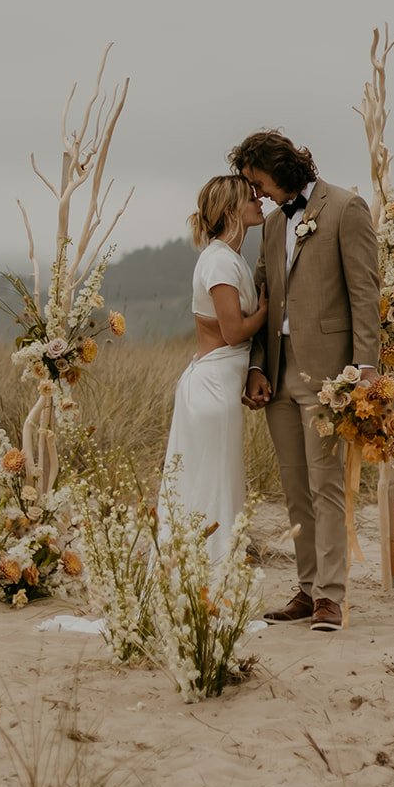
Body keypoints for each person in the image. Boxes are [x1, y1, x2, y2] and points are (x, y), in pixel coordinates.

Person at [229, 130, 380, 632]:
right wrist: (255, 366)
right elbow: (262, 296)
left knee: (327, 486)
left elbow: (364, 295)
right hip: (277, 370)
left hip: (331, 374)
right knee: (295, 486)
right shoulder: (271, 227)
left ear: (279, 168)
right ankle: (307, 586)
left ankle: (331, 597)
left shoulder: (346, 208)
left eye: (257, 181)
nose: (257, 192)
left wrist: (365, 369)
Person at [159, 175, 267, 564]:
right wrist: (269, 310)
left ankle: (202, 574)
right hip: (211, 392)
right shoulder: (220, 260)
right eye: (249, 198)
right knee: (212, 488)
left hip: (217, 386)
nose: (259, 201)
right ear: (229, 211)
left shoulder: (228, 257)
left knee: (214, 486)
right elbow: (234, 330)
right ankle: (209, 577)